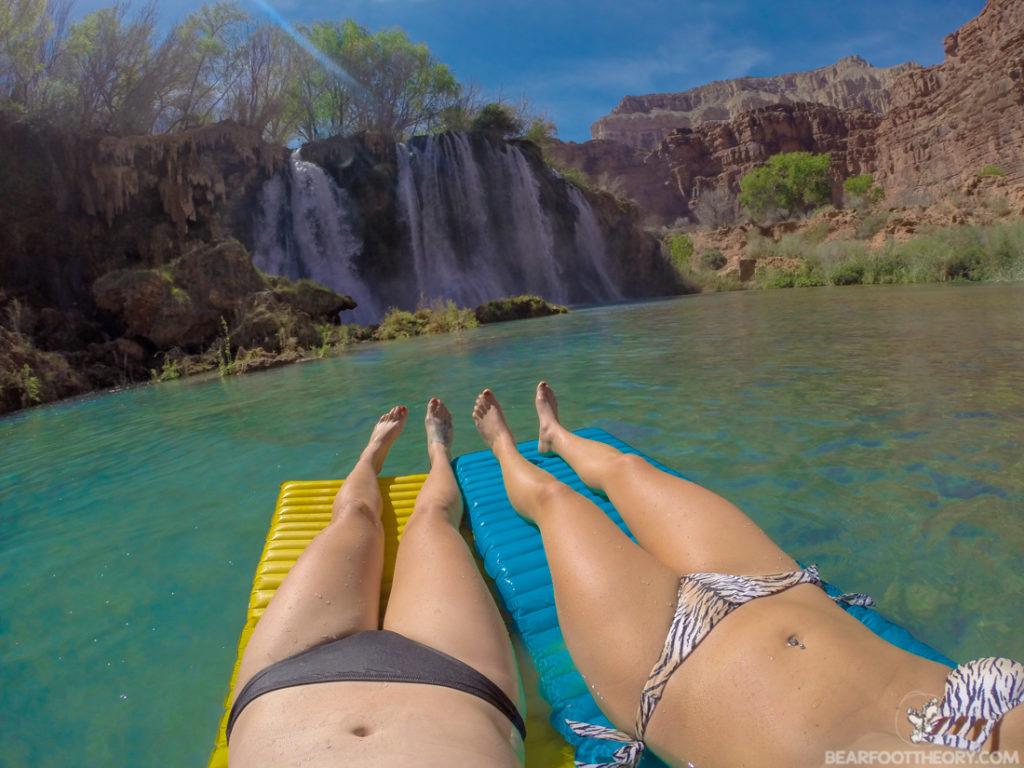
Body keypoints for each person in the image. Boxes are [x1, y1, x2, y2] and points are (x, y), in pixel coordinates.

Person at [472, 382, 1024, 768]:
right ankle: (555, 435)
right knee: (627, 469)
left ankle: (500, 447)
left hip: (665, 664)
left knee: (555, 502)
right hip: (781, 587)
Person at [228, 399, 525, 768]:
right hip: (460, 690)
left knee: (357, 517)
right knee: (428, 520)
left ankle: (412, 453)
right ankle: (410, 453)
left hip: (283, 688)